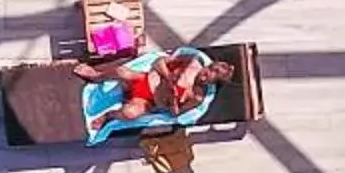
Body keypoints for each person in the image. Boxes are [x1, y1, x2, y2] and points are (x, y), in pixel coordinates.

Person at [75, 46, 235, 126]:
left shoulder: (197, 97)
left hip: (147, 101)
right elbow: (158, 62)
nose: (206, 78)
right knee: (121, 71)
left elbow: (175, 115)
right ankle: (96, 76)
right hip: (142, 80)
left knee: (130, 113)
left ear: (214, 83)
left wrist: (173, 101)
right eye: (209, 72)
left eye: (211, 80)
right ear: (209, 65)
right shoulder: (191, 62)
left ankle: (107, 116)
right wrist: (168, 77)